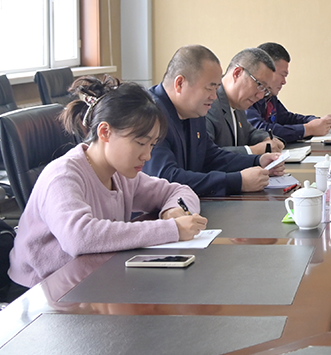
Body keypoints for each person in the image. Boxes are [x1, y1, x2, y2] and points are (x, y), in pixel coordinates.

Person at [8, 76, 207, 288]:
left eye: (152, 145)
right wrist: (170, 229)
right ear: (105, 132)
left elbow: (179, 191)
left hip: (91, 279)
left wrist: (173, 211)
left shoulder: (121, 173)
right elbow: (79, 237)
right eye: (141, 143)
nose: (147, 156)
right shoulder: (63, 176)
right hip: (42, 290)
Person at [144, 45, 284, 196]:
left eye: (216, 89)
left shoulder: (193, 111)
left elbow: (211, 156)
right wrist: (237, 182)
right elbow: (166, 178)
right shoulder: (150, 115)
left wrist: (257, 161)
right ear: (180, 84)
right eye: (209, 88)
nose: (214, 96)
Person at [246, 42, 331, 144]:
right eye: (282, 75)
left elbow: (287, 118)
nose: (284, 82)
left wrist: (319, 122)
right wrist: (308, 129)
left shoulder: (269, 96)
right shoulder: (247, 97)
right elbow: (261, 130)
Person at [206, 48, 284, 155]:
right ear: (237, 73)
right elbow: (207, 154)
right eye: (260, 85)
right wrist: (253, 150)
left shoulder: (238, 103)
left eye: (265, 90)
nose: (260, 96)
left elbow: (249, 133)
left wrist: (267, 139)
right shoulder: (208, 104)